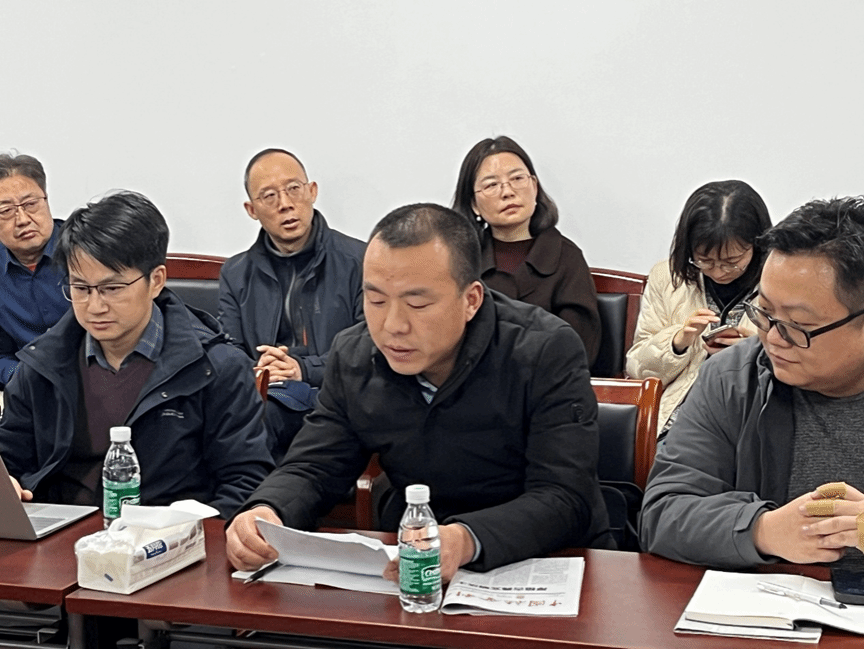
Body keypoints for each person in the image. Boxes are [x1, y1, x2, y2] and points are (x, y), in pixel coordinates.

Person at [226, 203, 612, 581]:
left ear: (471, 300)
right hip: (412, 561)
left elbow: (564, 496)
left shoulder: (544, 349)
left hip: (546, 562)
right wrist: (268, 509)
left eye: (417, 303)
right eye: (376, 300)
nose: (393, 325)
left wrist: (465, 539)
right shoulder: (355, 354)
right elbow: (315, 465)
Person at [0, 191, 273, 518]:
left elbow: (246, 484)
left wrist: (181, 531)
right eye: (81, 288)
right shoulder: (42, 364)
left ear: (156, 281)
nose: (95, 306)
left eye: (112, 289)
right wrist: (8, 483)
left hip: (170, 536)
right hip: (61, 534)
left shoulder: (216, 368)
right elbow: (10, 459)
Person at [640, 196, 864, 570]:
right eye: (764, 312)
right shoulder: (734, 377)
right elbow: (663, 514)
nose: (772, 338)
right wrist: (762, 530)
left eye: (797, 325)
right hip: (775, 598)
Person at [219, 148, 365, 459]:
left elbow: (369, 347)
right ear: (251, 209)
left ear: (312, 192)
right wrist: (263, 369)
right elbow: (228, 352)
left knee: (254, 424)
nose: (285, 204)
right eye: (269, 196)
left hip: (338, 397)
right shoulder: (235, 273)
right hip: (270, 397)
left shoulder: (360, 261)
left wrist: (303, 369)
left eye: (293, 189)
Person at [626, 180, 771, 436]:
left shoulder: (782, 282)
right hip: (680, 423)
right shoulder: (668, 277)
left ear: (757, 245)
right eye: (704, 260)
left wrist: (753, 353)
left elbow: (805, 366)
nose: (718, 271)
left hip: (753, 424)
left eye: (732, 261)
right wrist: (677, 342)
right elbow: (637, 370)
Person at [451, 136, 601, 367]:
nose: (507, 192)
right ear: (473, 204)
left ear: (534, 186)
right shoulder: (462, 259)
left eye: (517, 179)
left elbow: (578, 347)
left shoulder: (566, 257)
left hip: (548, 383)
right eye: (491, 185)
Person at [0, 153, 69, 389]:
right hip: (25, 389)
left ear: (46, 199)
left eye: (30, 204)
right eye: (6, 210)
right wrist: (21, 375)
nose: (22, 219)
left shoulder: (88, 251)